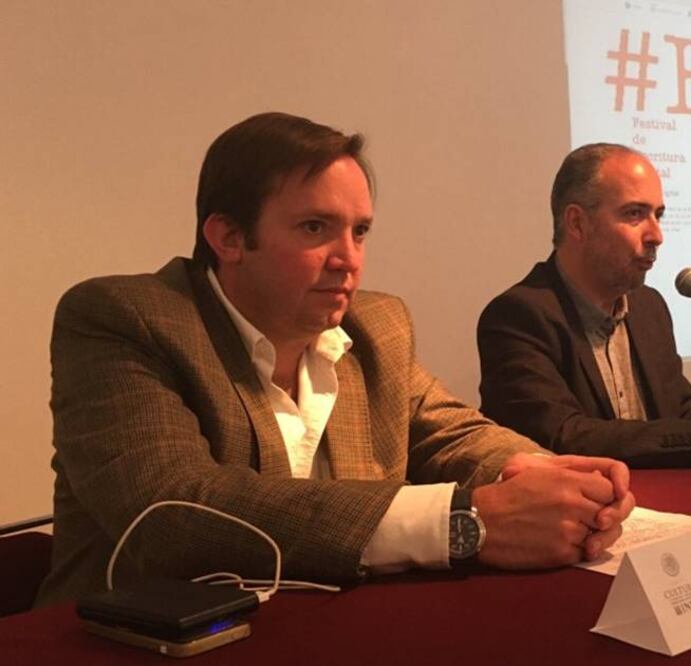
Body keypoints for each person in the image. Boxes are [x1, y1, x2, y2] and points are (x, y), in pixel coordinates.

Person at [37, 113, 633, 607]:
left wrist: (558, 479)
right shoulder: (125, 319)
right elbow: (172, 511)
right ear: (228, 238)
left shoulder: (375, 324)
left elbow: (456, 435)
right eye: (316, 227)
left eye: (361, 231)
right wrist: (462, 521)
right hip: (137, 641)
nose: (348, 258)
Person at [476, 144, 691, 468]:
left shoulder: (648, 307)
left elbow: (679, 410)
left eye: (659, 215)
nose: (657, 235)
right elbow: (566, 436)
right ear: (577, 223)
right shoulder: (518, 317)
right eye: (635, 214)